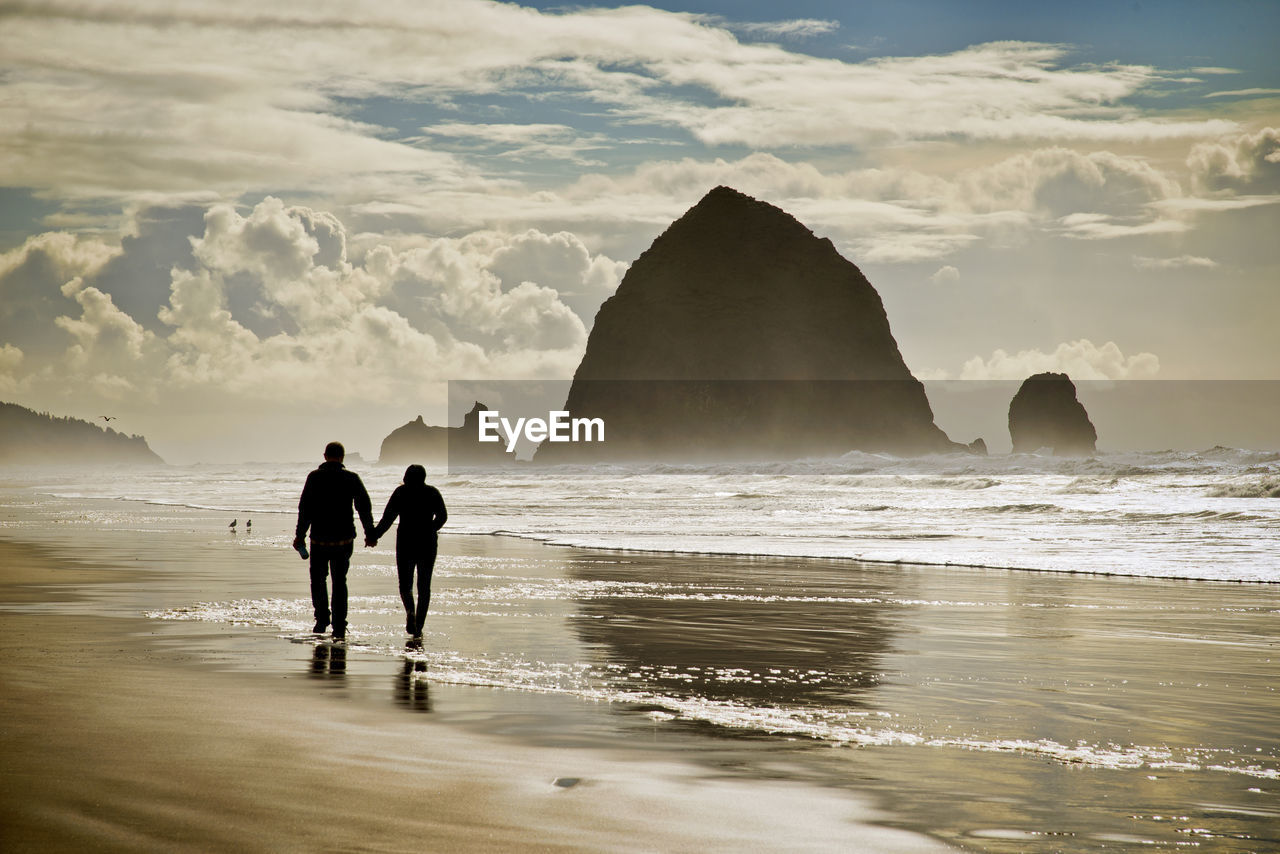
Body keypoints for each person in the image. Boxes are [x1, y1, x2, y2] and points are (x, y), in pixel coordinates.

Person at [293, 441, 375, 641]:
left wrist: (300, 535)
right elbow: (364, 507)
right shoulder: (351, 478)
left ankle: (321, 619)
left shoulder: (314, 478)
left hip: (319, 539)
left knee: (318, 580)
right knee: (340, 582)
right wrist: (370, 533)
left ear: (324, 456)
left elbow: (305, 509)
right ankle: (339, 625)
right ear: (342, 457)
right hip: (343, 539)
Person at [371, 464, 447, 638]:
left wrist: (375, 536)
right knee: (424, 585)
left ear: (406, 476)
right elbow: (443, 516)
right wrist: (431, 529)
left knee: (405, 584)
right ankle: (419, 625)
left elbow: (388, 518)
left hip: (405, 541)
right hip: (427, 542)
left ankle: (410, 611)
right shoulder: (432, 492)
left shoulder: (400, 492)